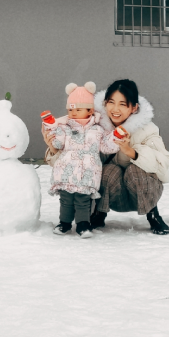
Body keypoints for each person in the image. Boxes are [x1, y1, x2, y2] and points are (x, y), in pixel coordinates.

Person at [45, 79, 169, 235]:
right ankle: (99, 213)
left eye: (123, 104)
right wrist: (52, 147)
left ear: (134, 107)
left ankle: (153, 215)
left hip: (142, 191)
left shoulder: (147, 129)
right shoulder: (94, 127)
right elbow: (74, 159)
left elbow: (162, 163)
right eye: (111, 102)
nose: (115, 109)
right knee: (107, 171)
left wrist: (129, 151)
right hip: (112, 194)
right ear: (105, 103)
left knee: (135, 171)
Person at [44, 82, 120, 238]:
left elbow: (106, 146)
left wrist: (116, 136)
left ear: (90, 110)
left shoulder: (98, 129)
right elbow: (58, 143)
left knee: (82, 200)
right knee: (66, 200)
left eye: (78, 109)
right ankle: (64, 224)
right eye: (70, 109)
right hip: (66, 171)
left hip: (87, 172)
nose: (73, 113)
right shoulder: (65, 127)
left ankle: (83, 225)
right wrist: (52, 127)